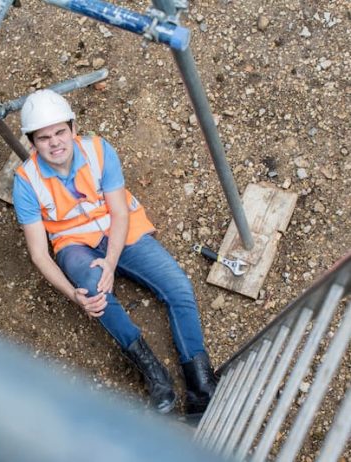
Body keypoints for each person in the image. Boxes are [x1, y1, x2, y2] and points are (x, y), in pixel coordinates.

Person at [12, 89, 218, 415]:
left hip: (121, 230)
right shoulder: (25, 181)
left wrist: (110, 261)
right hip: (74, 244)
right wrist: (74, 296)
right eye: (43, 137)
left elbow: (120, 212)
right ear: (32, 142)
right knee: (94, 294)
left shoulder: (98, 150)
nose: (54, 143)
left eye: (60, 132)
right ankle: (154, 373)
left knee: (178, 287)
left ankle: (200, 386)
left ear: (73, 128)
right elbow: (39, 254)